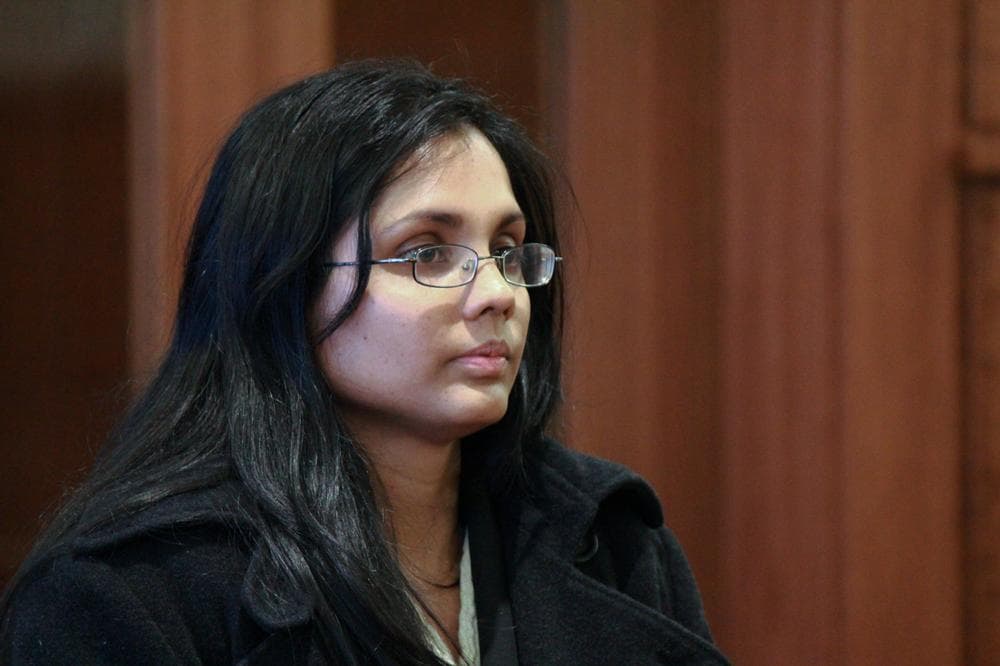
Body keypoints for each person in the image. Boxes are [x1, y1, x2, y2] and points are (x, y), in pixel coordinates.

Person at [0, 60, 728, 665]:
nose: (498, 295)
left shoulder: (611, 537)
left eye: (508, 251)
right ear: (283, 284)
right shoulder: (124, 595)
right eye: (427, 252)